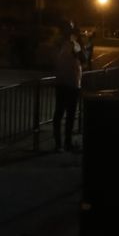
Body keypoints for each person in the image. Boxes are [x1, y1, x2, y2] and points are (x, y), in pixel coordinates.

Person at [51, 21, 83, 152]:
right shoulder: (73, 45)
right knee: (70, 115)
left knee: (58, 114)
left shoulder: (58, 44)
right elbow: (84, 57)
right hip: (72, 83)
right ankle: (67, 143)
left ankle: (58, 144)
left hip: (61, 82)